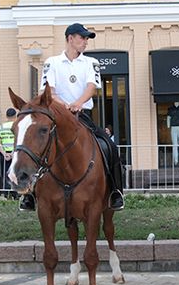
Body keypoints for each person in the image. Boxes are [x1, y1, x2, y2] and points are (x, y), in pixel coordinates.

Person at [19, 23, 125, 211]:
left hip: (81, 115)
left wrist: (77, 103)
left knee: (109, 146)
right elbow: (48, 91)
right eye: (82, 38)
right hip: (57, 116)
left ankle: (115, 191)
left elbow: (91, 87)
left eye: (86, 38)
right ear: (70, 38)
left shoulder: (91, 62)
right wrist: (64, 105)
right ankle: (30, 193)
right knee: (38, 146)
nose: (85, 42)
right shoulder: (52, 62)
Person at [0, 108, 17, 196]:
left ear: (6, 116)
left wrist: (4, 154)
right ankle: (15, 193)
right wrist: (13, 153)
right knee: (16, 172)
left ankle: (7, 193)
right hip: (16, 153)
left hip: (4, 154)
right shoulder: (17, 126)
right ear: (15, 116)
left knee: (6, 173)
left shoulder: (1, 128)